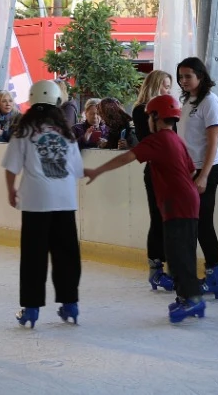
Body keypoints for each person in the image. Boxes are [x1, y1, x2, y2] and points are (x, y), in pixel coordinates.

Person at [83, 93, 206, 323]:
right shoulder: (175, 139)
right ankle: (187, 298)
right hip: (185, 200)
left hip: (177, 202)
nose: (148, 120)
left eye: (150, 115)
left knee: (177, 254)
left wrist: (97, 170)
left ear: (157, 117)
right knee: (181, 251)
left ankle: (192, 300)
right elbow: (190, 170)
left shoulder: (157, 140)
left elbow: (126, 157)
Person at [2, 80, 84, 327]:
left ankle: (31, 309)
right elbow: (77, 169)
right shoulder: (67, 134)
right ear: (57, 103)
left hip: (36, 201)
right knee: (67, 254)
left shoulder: (23, 132)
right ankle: (70, 305)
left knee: (33, 256)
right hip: (65, 200)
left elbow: (11, 166)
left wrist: (11, 190)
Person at [177, 56, 218, 300]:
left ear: (200, 76)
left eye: (188, 76)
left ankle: (214, 275)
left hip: (206, 170)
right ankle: (211, 274)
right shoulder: (188, 101)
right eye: (181, 76)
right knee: (195, 224)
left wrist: (204, 175)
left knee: (203, 223)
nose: (183, 80)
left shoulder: (210, 101)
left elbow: (213, 139)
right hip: (191, 169)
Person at [132, 70, 177, 291]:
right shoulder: (142, 111)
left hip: (172, 169)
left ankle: (172, 267)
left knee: (171, 219)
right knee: (158, 217)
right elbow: (150, 141)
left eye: (169, 87)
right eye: (164, 86)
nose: (167, 90)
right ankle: (156, 268)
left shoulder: (168, 110)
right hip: (155, 170)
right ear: (154, 85)